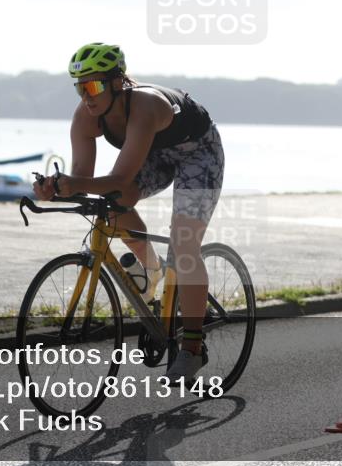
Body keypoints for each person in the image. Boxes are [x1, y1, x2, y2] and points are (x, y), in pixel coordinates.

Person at [32, 42, 225, 381]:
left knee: (183, 247)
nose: (86, 96)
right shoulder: (85, 118)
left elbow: (118, 178)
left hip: (198, 153)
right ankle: (152, 272)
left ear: (118, 82)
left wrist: (72, 184)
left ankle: (193, 346)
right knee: (111, 203)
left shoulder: (146, 105)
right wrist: (54, 189)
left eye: (93, 85)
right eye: (79, 87)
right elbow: (86, 179)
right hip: (156, 152)